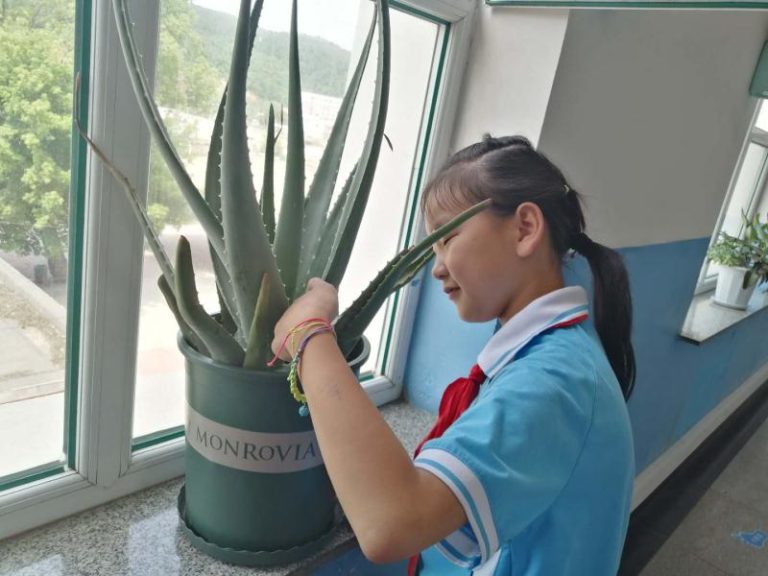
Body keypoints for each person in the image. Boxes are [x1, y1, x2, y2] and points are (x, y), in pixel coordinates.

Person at [270, 134, 636, 575]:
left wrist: (311, 335)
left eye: (448, 237)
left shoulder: (554, 381)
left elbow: (392, 523)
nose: (437, 265)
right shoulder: (552, 354)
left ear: (525, 229)